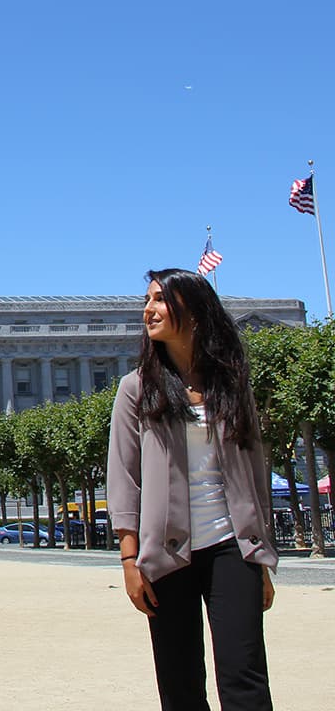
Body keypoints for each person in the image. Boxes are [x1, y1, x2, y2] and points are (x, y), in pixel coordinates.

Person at [107, 268, 277, 710]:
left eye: (161, 300)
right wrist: (129, 559)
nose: (149, 309)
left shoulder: (232, 382)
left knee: (246, 678)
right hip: (165, 552)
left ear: (196, 313)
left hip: (232, 546)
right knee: (180, 681)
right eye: (148, 300)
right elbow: (124, 480)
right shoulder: (136, 389)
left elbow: (255, 472)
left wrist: (260, 556)